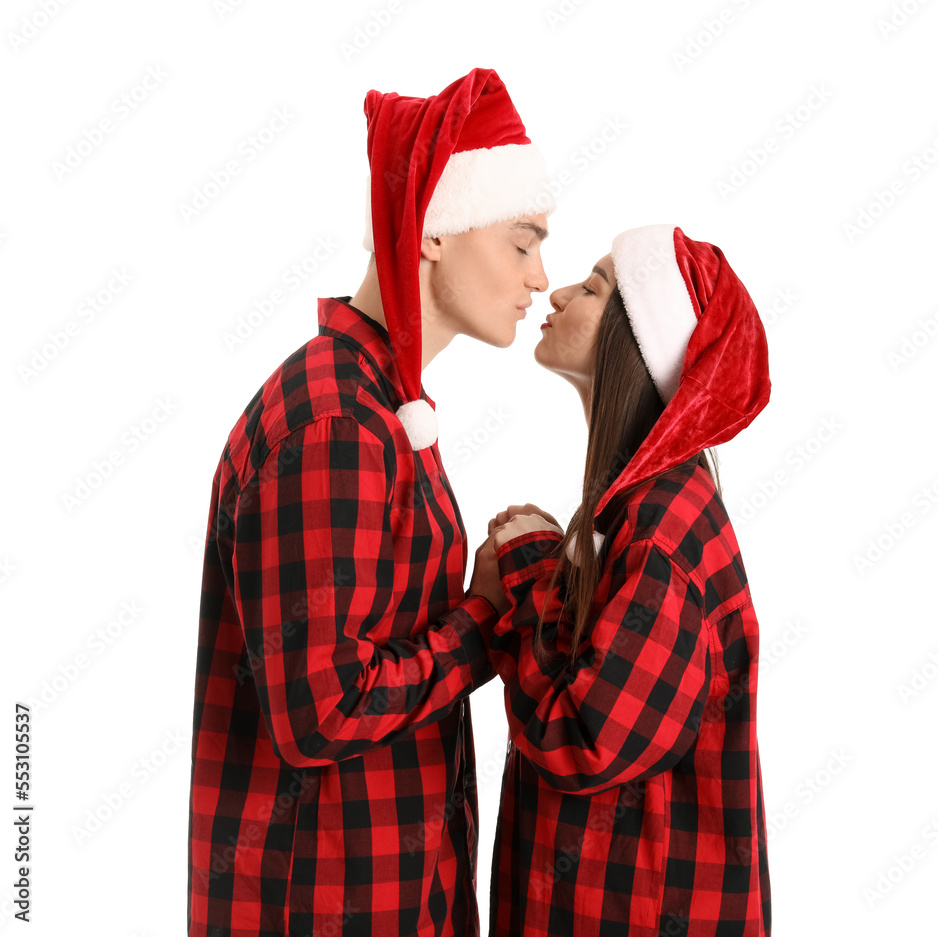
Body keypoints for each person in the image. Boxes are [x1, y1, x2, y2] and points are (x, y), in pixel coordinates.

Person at [186, 67, 554, 936]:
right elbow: (323, 712)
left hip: (393, 891)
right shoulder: (336, 421)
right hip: (326, 906)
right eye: (523, 240)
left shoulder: (381, 404)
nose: (541, 276)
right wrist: (483, 618)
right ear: (434, 230)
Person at [478, 225, 772, 936]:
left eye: (595, 285)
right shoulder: (629, 510)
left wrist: (526, 565)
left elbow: (583, 740)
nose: (558, 289)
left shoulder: (667, 522)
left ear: (637, 339)